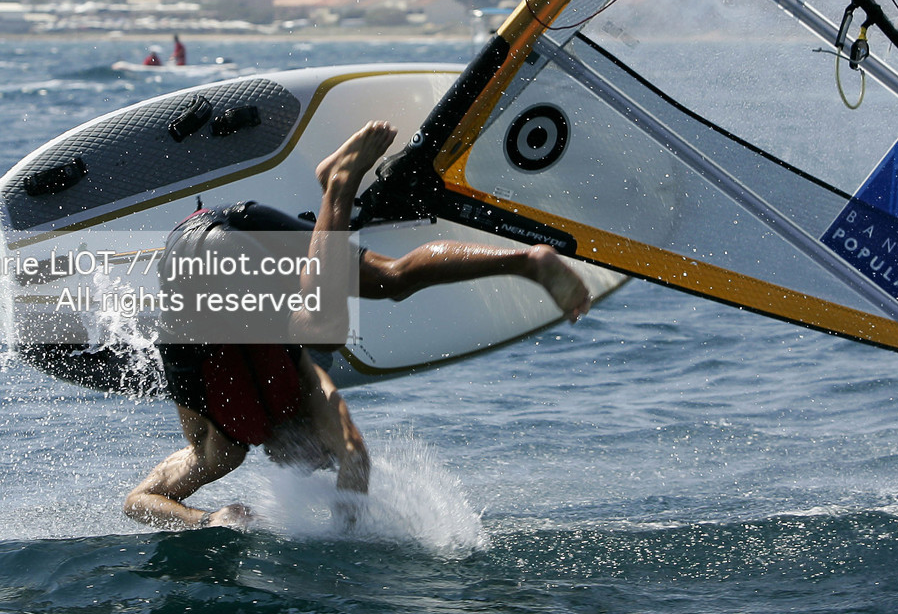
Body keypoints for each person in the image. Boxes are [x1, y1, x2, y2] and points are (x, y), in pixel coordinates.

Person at [123, 121, 592, 530]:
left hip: (200, 252)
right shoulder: (305, 393)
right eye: (326, 459)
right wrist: (343, 536)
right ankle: (527, 261)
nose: (322, 459)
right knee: (390, 282)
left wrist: (203, 520)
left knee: (325, 327)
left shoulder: (219, 446)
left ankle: (338, 185)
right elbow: (354, 456)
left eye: (318, 459)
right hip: (254, 253)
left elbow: (138, 502)